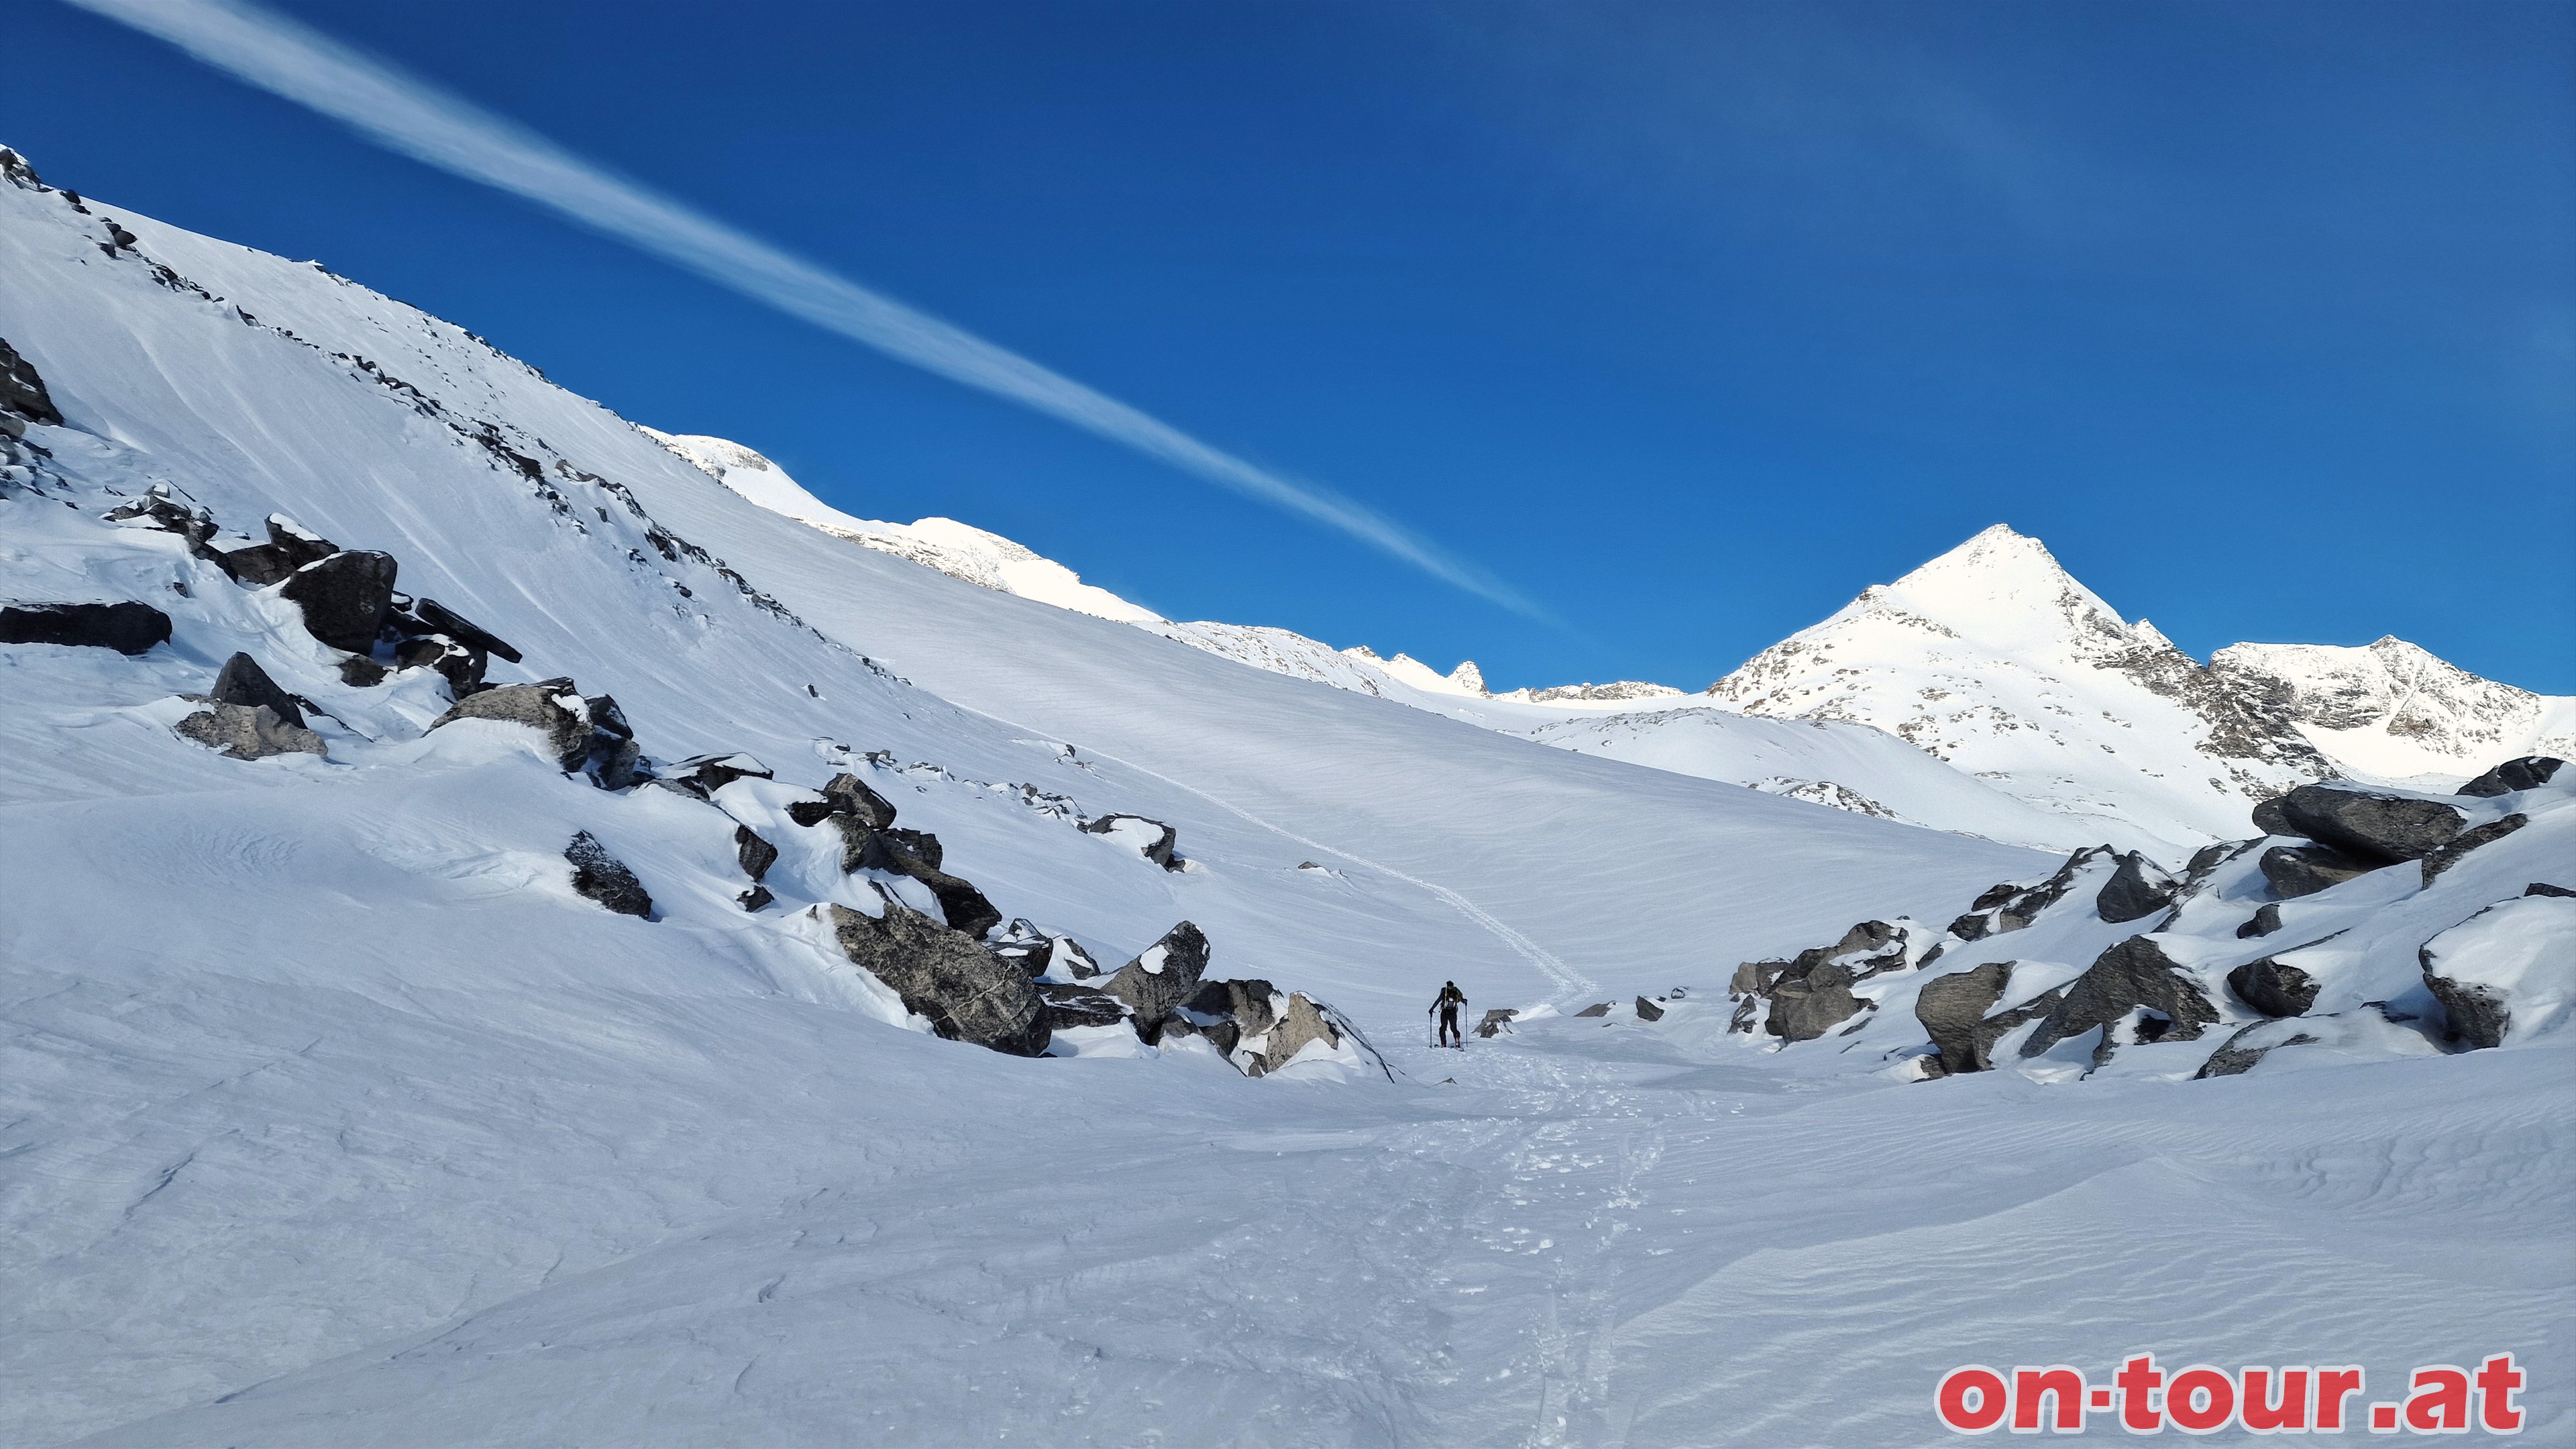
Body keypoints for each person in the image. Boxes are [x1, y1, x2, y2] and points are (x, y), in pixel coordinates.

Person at [1432, 981, 1467, 1048]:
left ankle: (1443, 1044)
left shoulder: (1444, 993)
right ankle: (1457, 1041)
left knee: (1443, 1028)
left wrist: (1431, 1009)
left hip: (1444, 1013)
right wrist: (1465, 1001)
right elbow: (1462, 1000)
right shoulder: (1455, 993)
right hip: (1453, 1013)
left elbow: (1438, 1001)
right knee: (1454, 1028)